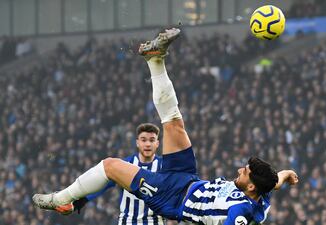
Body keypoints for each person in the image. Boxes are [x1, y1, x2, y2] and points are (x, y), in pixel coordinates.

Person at [33, 28, 299, 225]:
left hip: (171, 198)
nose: (240, 170)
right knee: (174, 123)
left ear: (251, 186)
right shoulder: (259, 193)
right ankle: (155, 59)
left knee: (110, 166)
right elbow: (272, 183)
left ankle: (60, 199)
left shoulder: (242, 213)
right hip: (188, 178)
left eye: (245, 171)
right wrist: (285, 174)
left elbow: (237, 218)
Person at [59, 123, 165, 225]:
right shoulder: (125, 164)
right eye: (143, 140)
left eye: (152, 140)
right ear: (137, 142)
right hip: (127, 222)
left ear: (157, 143)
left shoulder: (165, 167)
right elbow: (104, 184)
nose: (147, 144)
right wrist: (84, 199)